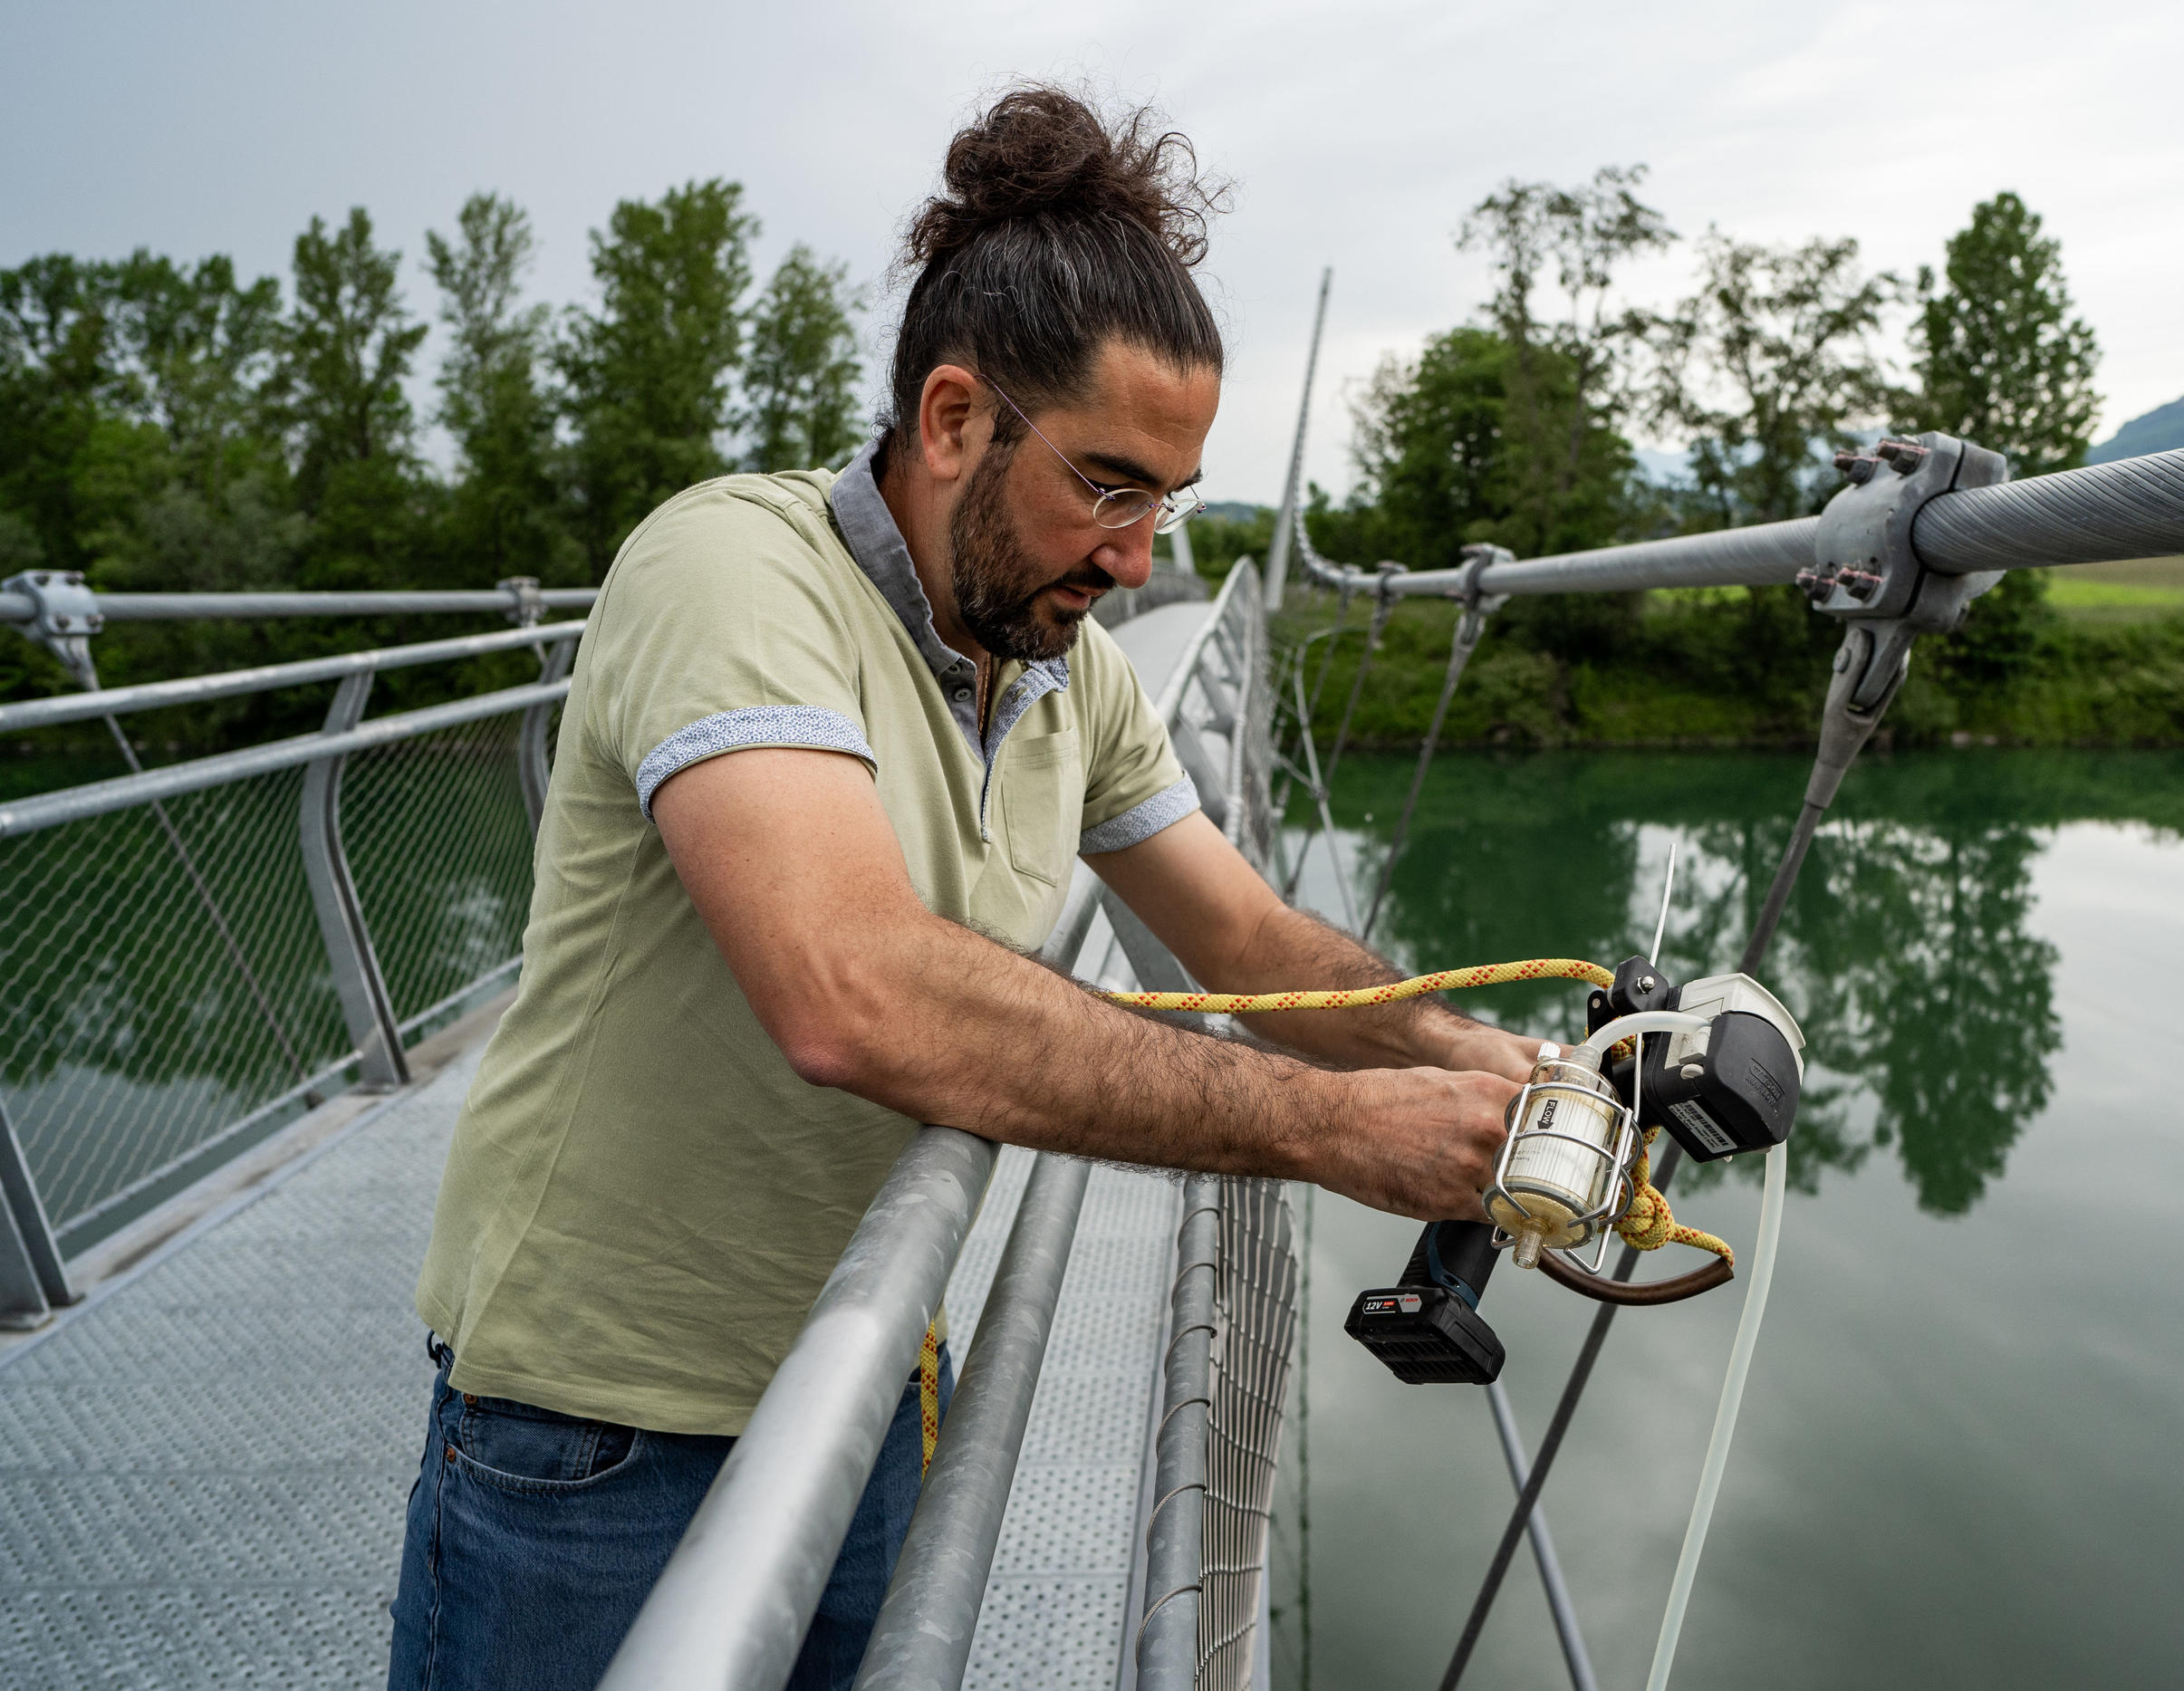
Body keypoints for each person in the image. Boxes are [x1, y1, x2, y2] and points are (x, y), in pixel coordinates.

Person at [388, 85, 1534, 1691]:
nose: (1139, 558)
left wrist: (1469, 1062)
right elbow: (853, 992)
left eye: (1171, 507)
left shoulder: (1068, 665)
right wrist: (1335, 1132)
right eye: (1110, 485)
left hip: (861, 1381)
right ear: (950, 421)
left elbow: (1245, 934)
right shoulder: (733, 570)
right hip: (596, 1430)